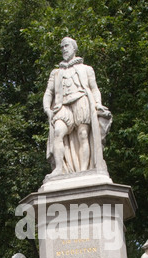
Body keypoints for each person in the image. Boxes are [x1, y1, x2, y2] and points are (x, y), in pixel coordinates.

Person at [43, 37, 112, 177]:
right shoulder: (55, 73)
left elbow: (94, 89)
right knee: (58, 133)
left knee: (83, 135)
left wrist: (98, 104)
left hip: (81, 101)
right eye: (61, 47)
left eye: (66, 46)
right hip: (62, 107)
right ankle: (59, 169)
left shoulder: (86, 69)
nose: (63, 49)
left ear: (74, 48)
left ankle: (83, 170)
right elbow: (48, 93)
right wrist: (47, 109)